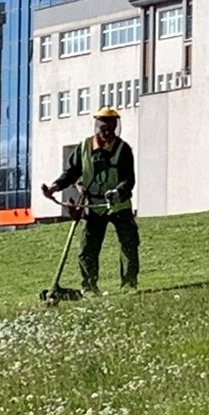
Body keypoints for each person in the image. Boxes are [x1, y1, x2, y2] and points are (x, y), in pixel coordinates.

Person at [41, 107, 140, 295]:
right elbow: (71, 172)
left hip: (119, 205)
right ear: (97, 127)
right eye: (104, 129)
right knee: (88, 247)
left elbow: (129, 178)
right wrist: (55, 187)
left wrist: (118, 192)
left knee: (129, 243)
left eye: (112, 128)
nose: (108, 133)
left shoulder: (123, 149)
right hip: (92, 206)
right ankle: (89, 286)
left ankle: (129, 284)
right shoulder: (84, 148)